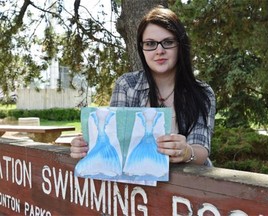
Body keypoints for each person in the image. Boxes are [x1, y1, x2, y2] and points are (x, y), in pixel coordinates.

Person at [70, 6, 216, 166]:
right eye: (150, 43)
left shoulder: (202, 93)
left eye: (168, 42)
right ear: (142, 49)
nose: (159, 50)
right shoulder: (126, 85)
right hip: (139, 185)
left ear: (180, 45)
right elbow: (114, 142)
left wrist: (188, 151)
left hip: (188, 185)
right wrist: (86, 146)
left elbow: (201, 149)